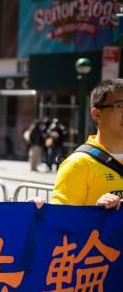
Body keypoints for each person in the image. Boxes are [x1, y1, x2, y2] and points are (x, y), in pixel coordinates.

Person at [52, 79, 123, 209]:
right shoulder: (78, 164)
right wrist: (95, 211)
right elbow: (61, 224)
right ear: (97, 114)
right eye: (120, 106)